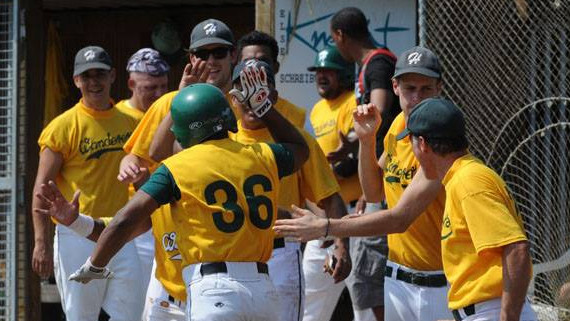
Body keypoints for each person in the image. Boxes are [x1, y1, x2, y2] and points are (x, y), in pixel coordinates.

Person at [38, 65, 310, 321]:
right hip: (261, 287)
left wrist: (95, 265)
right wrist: (266, 109)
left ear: (186, 131)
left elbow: (125, 222)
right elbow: (300, 148)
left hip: (211, 289)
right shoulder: (260, 155)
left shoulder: (176, 170)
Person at [275, 98, 539, 321]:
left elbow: (516, 249)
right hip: (473, 308)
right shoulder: (458, 175)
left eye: (409, 141)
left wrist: (507, 317)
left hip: (493, 310)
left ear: (422, 145)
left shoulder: (469, 181)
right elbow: (378, 196)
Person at [115, 18, 236, 320]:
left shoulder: (244, 104)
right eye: (202, 53)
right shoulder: (168, 102)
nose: (210, 61)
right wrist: (130, 167)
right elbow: (137, 156)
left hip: (231, 251)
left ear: (233, 55)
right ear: (191, 58)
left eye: (219, 53)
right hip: (172, 249)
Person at [229, 58, 351, 321]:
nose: (252, 98)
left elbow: (330, 198)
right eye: (244, 90)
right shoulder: (221, 140)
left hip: (280, 254)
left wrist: (342, 244)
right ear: (233, 98)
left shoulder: (296, 140)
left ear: (272, 95)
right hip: (233, 254)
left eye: (259, 90)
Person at [31, 45, 144, 320]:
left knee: (131, 314)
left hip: (120, 231)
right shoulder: (63, 126)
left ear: (113, 76)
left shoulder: (133, 121)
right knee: (82, 316)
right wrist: (41, 243)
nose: (94, 81)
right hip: (77, 233)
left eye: (100, 74)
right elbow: (41, 188)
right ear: (76, 81)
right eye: (87, 75)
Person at [356, 46, 451, 321]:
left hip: (440, 282)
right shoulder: (398, 126)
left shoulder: (441, 137)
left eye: (426, 89)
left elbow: (400, 219)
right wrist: (366, 140)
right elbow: (373, 193)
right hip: (398, 279)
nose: (417, 97)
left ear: (439, 89)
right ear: (395, 87)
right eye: (410, 88)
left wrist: (327, 227)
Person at [329, 7, 399, 320]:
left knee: (368, 277)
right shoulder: (370, 64)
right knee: (365, 278)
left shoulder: (378, 62)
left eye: (334, 40)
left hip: (389, 181)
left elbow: (378, 110)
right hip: (378, 179)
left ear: (340, 36)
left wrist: (353, 140)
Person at [303, 45, 360, 321]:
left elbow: (354, 162)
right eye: (318, 71)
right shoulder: (315, 110)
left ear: (345, 74)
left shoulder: (352, 102)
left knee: (363, 301)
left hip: (353, 216)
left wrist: (322, 175)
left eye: (329, 72)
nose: (322, 77)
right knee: (309, 302)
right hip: (322, 220)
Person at [116, 47, 170, 305]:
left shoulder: (169, 113)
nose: (158, 94)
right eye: (150, 87)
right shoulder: (116, 117)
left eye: (163, 86)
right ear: (131, 83)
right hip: (130, 222)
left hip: (164, 217)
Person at [236, 30, 306, 128]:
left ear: (276, 67)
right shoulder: (227, 111)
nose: (255, 66)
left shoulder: (297, 116)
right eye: (248, 62)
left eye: (262, 61)